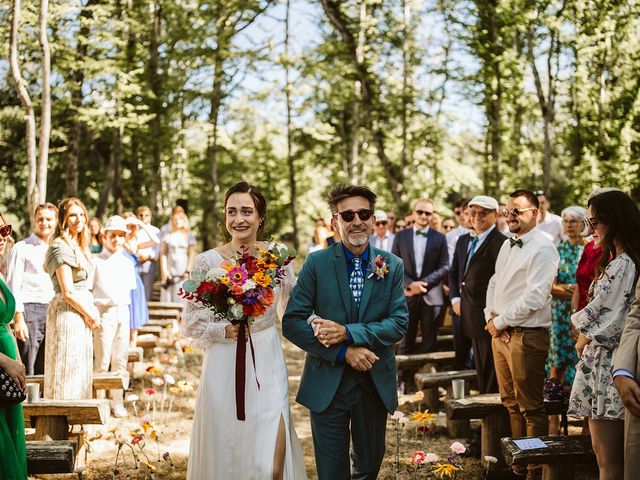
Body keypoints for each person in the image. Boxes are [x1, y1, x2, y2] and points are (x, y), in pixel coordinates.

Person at [283, 184, 408, 480]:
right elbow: (293, 322)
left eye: (363, 213)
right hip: (328, 383)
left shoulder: (392, 265)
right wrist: (342, 351)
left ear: (373, 219)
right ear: (334, 222)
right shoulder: (317, 263)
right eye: (347, 214)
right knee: (331, 472)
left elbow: (399, 323)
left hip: (373, 383)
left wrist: (348, 333)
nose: (356, 221)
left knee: (368, 467)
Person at [183, 182, 306, 479]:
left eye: (247, 211)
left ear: (260, 217)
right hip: (223, 365)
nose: (239, 219)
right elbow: (191, 323)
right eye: (232, 211)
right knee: (228, 450)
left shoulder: (277, 259)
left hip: (267, 358)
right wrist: (224, 329)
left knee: (273, 462)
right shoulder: (207, 261)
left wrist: (319, 326)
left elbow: (292, 309)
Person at [485, 189, 559, 479]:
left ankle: (534, 471)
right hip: (501, 332)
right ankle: (518, 466)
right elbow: (494, 282)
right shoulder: (507, 244)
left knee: (530, 407)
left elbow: (536, 297)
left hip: (527, 335)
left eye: (517, 210)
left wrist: (501, 321)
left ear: (536, 213)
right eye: (508, 211)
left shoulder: (543, 247)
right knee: (510, 404)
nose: (510, 216)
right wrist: (492, 318)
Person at [568, 191, 640, 480]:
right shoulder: (619, 260)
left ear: (615, 222)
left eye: (595, 222)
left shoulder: (625, 263)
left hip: (609, 362)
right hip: (603, 360)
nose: (590, 229)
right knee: (605, 456)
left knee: (608, 460)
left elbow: (609, 316)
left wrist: (582, 332)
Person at [44, 197, 101, 402]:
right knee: (66, 368)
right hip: (68, 312)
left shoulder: (78, 245)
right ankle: (62, 423)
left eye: (81, 214)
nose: (78, 219)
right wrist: (91, 313)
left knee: (79, 369)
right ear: (63, 220)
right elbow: (67, 292)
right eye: (72, 215)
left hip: (80, 312)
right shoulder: (60, 246)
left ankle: (79, 427)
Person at [449, 196, 506, 393]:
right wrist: (455, 298)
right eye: (473, 213)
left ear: (495, 215)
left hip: (485, 316)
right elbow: (454, 273)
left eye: (483, 213)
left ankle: (488, 418)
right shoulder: (463, 240)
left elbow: (501, 283)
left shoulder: (501, 243)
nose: (477, 217)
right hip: (460, 312)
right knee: (462, 364)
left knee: (488, 371)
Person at [392, 198, 449, 360]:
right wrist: (410, 284)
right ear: (413, 213)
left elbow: (445, 266)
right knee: (405, 340)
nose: (423, 215)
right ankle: (402, 380)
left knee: (430, 342)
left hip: (432, 296)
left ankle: (429, 380)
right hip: (408, 294)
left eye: (427, 213)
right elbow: (394, 264)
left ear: (432, 216)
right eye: (420, 212)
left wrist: (423, 283)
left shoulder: (439, 237)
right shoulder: (401, 236)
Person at [91, 216, 136, 418]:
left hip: (122, 311)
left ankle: (117, 401)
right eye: (113, 235)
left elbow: (129, 293)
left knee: (120, 359)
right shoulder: (96, 261)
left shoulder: (127, 263)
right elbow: (89, 290)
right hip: (104, 312)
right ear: (104, 236)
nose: (116, 239)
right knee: (102, 359)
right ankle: (99, 402)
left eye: (120, 235)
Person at [6, 203, 57, 375]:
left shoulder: (56, 249)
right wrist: (19, 319)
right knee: (28, 364)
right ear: (35, 221)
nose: (44, 223)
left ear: (56, 221)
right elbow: (13, 284)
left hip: (52, 310)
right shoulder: (22, 248)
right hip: (30, 311)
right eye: (40, 219)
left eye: (49, 219)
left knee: (48, 364)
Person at [0, 210, 28, 480]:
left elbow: (6, 323)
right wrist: (5, 361)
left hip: (8, 366)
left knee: (11, 432)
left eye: (4, 230)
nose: (1, 237)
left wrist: (17, 361)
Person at [547, 206, 587, 387]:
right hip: (559, 314)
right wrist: (576, 288)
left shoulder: (590, 248)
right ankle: (554, 407)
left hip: (583, 311)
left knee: (582, 358)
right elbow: (550, 287)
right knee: (558, 360)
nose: (569, 225)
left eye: (573, 221)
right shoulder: (556, 250)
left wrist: (574, 289)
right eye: (565, 221)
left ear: (582, 224)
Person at [159, 209, 196, 303]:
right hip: (170, 272)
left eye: (180, 219)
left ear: (184, 221)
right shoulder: (167, 236)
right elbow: (163, 254)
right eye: (175, 219)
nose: (177, 221)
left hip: (183, 272)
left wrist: (188, 270)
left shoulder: (189, 235)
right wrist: (164, 271)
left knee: (183, 297)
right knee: (168, 298)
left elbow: (192, 254)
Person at [135, 206, 161, 301]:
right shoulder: (134, 230)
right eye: (141, 215)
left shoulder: (156, 231)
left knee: (147, 291)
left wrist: (148, 256)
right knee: (135, 291)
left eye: (146, 215)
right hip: (135, 262)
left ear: (150, 216)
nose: (143, 218)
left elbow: (158, 249)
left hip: (149, 263)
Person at [446, 199, 470, 266]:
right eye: (458, 213)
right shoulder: (449, 236)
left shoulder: (480, 233)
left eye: (465, 212)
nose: (462, 215)